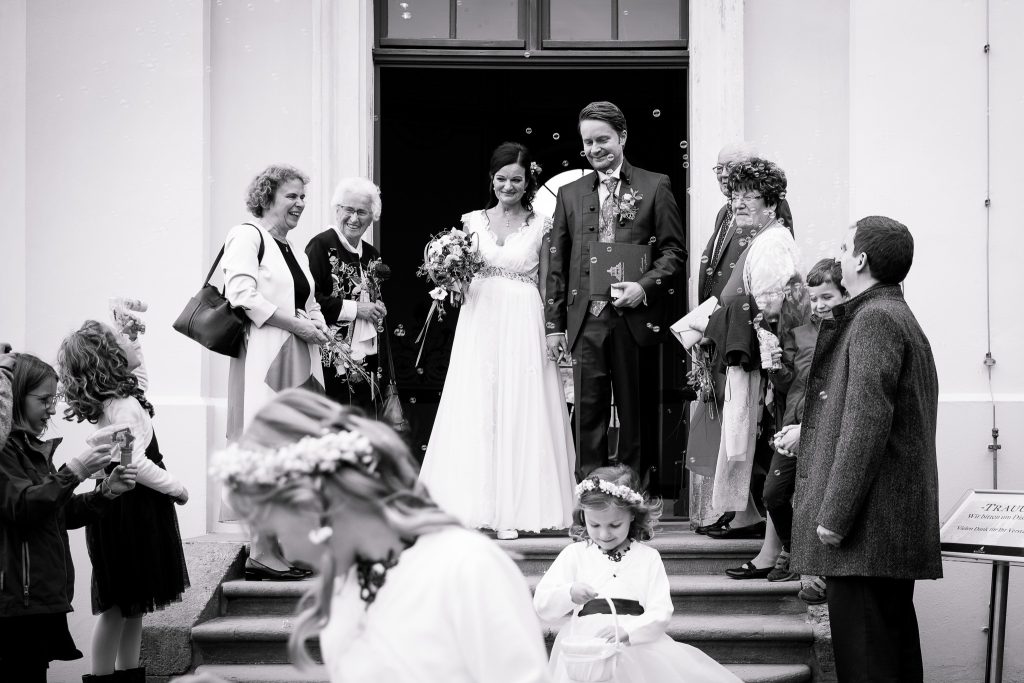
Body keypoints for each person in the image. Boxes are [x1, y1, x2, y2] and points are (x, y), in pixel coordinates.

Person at [201, 388, 551, 683]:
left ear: (313, 500)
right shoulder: (351, 580)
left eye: (272, 524)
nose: (277, 546)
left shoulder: (465, 568)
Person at [791, 216, 940, 682]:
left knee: (871, 665)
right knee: (891, 658)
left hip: (865, 533)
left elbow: (865, 426)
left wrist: (834, 516)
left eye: (843, 246)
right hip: (880, 529)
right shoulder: (894, 314)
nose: (837, 254)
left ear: (860, 259)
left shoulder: (875, 318)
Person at [419, 142, 576, 540]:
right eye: (502, 178)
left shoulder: (542, 223)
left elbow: (547, 282)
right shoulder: (471, 221)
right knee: (478, 402)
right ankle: (472, 503)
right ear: (492, 179)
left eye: (517, 180)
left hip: (524, 317)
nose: (509, 186)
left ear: (528, 183)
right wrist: (448, 276)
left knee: (521, 403)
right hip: (480, 318)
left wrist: (552, 328)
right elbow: (463, 278)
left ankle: (517, 507)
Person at [545, 102, 686, 479]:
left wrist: (643, 288)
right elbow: (557, 262)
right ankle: (588, 506)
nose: (595, 149)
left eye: (602, 139)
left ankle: (633, 502)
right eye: (588, 142)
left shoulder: (655, 185)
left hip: (633, 320)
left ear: (622, 137)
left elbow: (674, 252)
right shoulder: (570, 194)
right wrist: (553, 325)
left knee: (633, 413)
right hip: (584, 322)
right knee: (586, 414)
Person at [58, 320, 190, 682]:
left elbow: (140, 376)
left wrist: (132, 338)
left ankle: (128, 673)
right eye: (123, 342)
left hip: (124, 509)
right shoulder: (125, 406)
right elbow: (139, 464)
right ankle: (105, 675)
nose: (131, 344)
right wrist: (175, 487)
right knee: (119, 606)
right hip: (133, 508)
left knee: (133, 605)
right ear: (113, 360)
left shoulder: (120, 399)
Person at [534, 465, 741, 683]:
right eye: (594, 524)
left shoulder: (648, 558)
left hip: (635, 644)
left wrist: (629, 631)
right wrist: (568, 593)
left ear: (632, 514)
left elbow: (660, 611)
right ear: (583, 516)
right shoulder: (574, 555)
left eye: (614, 524)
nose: (604, 534)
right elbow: (542, 604)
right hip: (586, 649)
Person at [0, 353, 137, 683]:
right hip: (16, 602)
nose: (51, 409)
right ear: (15, 397)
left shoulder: (30, 448)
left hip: (40, 599)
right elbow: (25, 506)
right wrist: (75, 470)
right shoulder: (4, 452)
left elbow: (57, 514)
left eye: (54, 399)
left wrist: (105, 493)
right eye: (44, 399)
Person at [223, 163, 329, 579]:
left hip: (300, 359)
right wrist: (296, 324)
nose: (300, 204)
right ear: (267, 197)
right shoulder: (247, 236)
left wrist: (317, 324)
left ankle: (283, 546)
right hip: (269, 359)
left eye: (303, 196)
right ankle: (261, 551)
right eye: (292, 196)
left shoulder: (294, 249)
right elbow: (241, 295)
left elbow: (307, 301)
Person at [690, 143, 795, 535]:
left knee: (761, 443)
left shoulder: (771, 244)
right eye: (735, 195)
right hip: (747, 358)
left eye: (749, 196)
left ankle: (771, 540)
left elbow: (773, 316)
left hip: (764, 365)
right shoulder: (759, 236)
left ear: (772, 204)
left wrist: (770, 382)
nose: (738, 203)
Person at [305, 178, 389, 414]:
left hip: (367, 360)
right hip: (331, 357)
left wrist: (378, 308)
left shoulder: (372, 255)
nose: (354, 218)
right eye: (349, 210)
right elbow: (310, 301)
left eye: (362, 212)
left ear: (373, 215)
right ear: (337, 209)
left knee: (363, 421)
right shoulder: (320, 246)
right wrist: (357, 309)